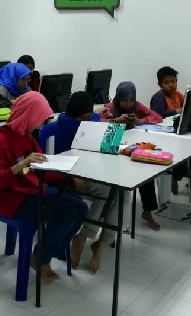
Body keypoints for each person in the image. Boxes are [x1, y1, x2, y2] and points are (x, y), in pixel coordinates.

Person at [0, 92, 88, 281]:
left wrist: (69, 181)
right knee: (66, 214)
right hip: (12, 198)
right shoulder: (1, 140)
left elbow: (40, 169)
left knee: (81, 208)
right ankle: (40, 257)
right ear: (28, 116)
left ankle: (50, 248)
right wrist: (21, 165)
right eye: (39, 119)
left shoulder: (27, 137)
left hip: (31, 188)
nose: (41, 123)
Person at [53, 91, 117, 274]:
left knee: (122, 191)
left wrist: (100, 117)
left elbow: (95, 121)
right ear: (73, 115)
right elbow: (50, 165)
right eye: (84, 117)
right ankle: (86, 238)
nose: (87, 121)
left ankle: (99, 243)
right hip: (70, 178)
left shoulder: (88, 121)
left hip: (90, 173)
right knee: (109, 191)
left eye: (89, 117)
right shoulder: (65, 126)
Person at [103, 81, 164, 230]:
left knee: (145, 172)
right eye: (124, 101)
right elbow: (98, 122)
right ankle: (108, 212)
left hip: (132, 146)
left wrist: (140, 120)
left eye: (130, 100)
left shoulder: (137, 106)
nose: (127, 104)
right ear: (118, 98)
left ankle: (148, 211)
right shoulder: (110, 107)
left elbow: (157, 116)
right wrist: (115, 121)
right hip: (113, 148)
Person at [150, 66, 190, 194]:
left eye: (173, 81)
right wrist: (176, 111)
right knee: (181, 154)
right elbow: (158, 115)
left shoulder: (178, 95)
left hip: (175, 133)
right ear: (160, 85)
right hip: (163, 135)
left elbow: (187, 106)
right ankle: (173, 177)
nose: (171, 85)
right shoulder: (158, 98)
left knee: (187, 152)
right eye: (166, 83)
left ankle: (176, 177)